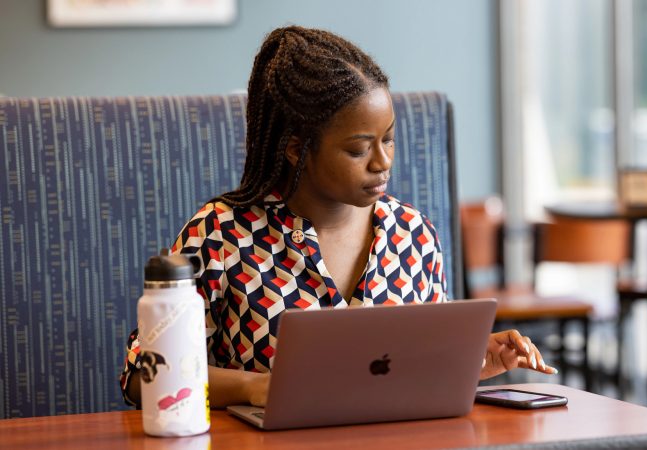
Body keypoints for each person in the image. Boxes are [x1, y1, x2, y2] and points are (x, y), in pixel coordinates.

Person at [120, 25, 557, 408]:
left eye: (389, 140)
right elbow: (143, 377)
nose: (382, 162)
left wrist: (472, 360)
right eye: (359, 149)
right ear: (297, 149)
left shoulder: (414, 235)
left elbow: (418, 369)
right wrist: (255, 388)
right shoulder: (221, 235)